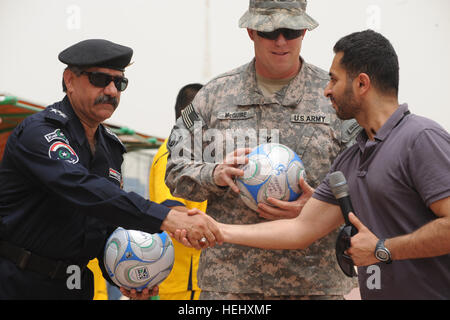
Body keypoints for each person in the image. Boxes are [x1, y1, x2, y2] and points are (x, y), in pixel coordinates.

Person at [187, 30, 450, 300]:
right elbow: (300, 229)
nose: (326, 90)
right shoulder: (351, 159)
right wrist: (219, 229)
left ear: (361, 84)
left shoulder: (420, 138)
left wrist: (383, 248)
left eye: (334, 80)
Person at [165, 0, 360, 300]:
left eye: (291, 30)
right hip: (231, 287)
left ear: (305, 30)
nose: (281, 41)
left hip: (316, 284)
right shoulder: (214, 96)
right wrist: (214, 174)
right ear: (251, 31)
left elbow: (368, 179)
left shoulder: (335, 96)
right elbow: (175, 170)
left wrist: (319, 205)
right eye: (270, 31)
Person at [0, 39, 222, 299]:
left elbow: (101, 224)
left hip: (75, 287)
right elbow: (81, 188)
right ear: (69, 80)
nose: (112, 91)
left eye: (119, 83)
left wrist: (123, 274)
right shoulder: (41, 132)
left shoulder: (110, 148)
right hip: (19, 283)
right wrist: (166, 217)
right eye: (99, 79)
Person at [149, 83, 205, 300]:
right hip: (183, 285)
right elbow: (175, 215)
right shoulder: (171, 156)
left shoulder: (200, 156)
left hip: (201, 283)